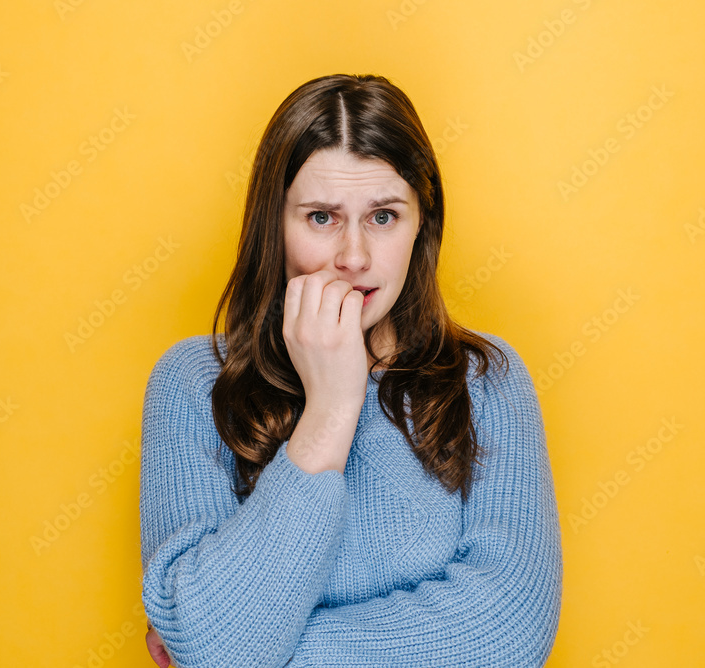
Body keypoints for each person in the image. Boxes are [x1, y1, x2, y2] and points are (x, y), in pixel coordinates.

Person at [139, 73, 563, 667]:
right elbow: (210, 645)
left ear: (423, 226)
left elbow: (508, 637)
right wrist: (332, 408)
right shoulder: (191, 387)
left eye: (384, 217)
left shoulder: (487, 381)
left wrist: (255, 653)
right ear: (274, 225)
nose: (355, 256)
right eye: (321, 218)